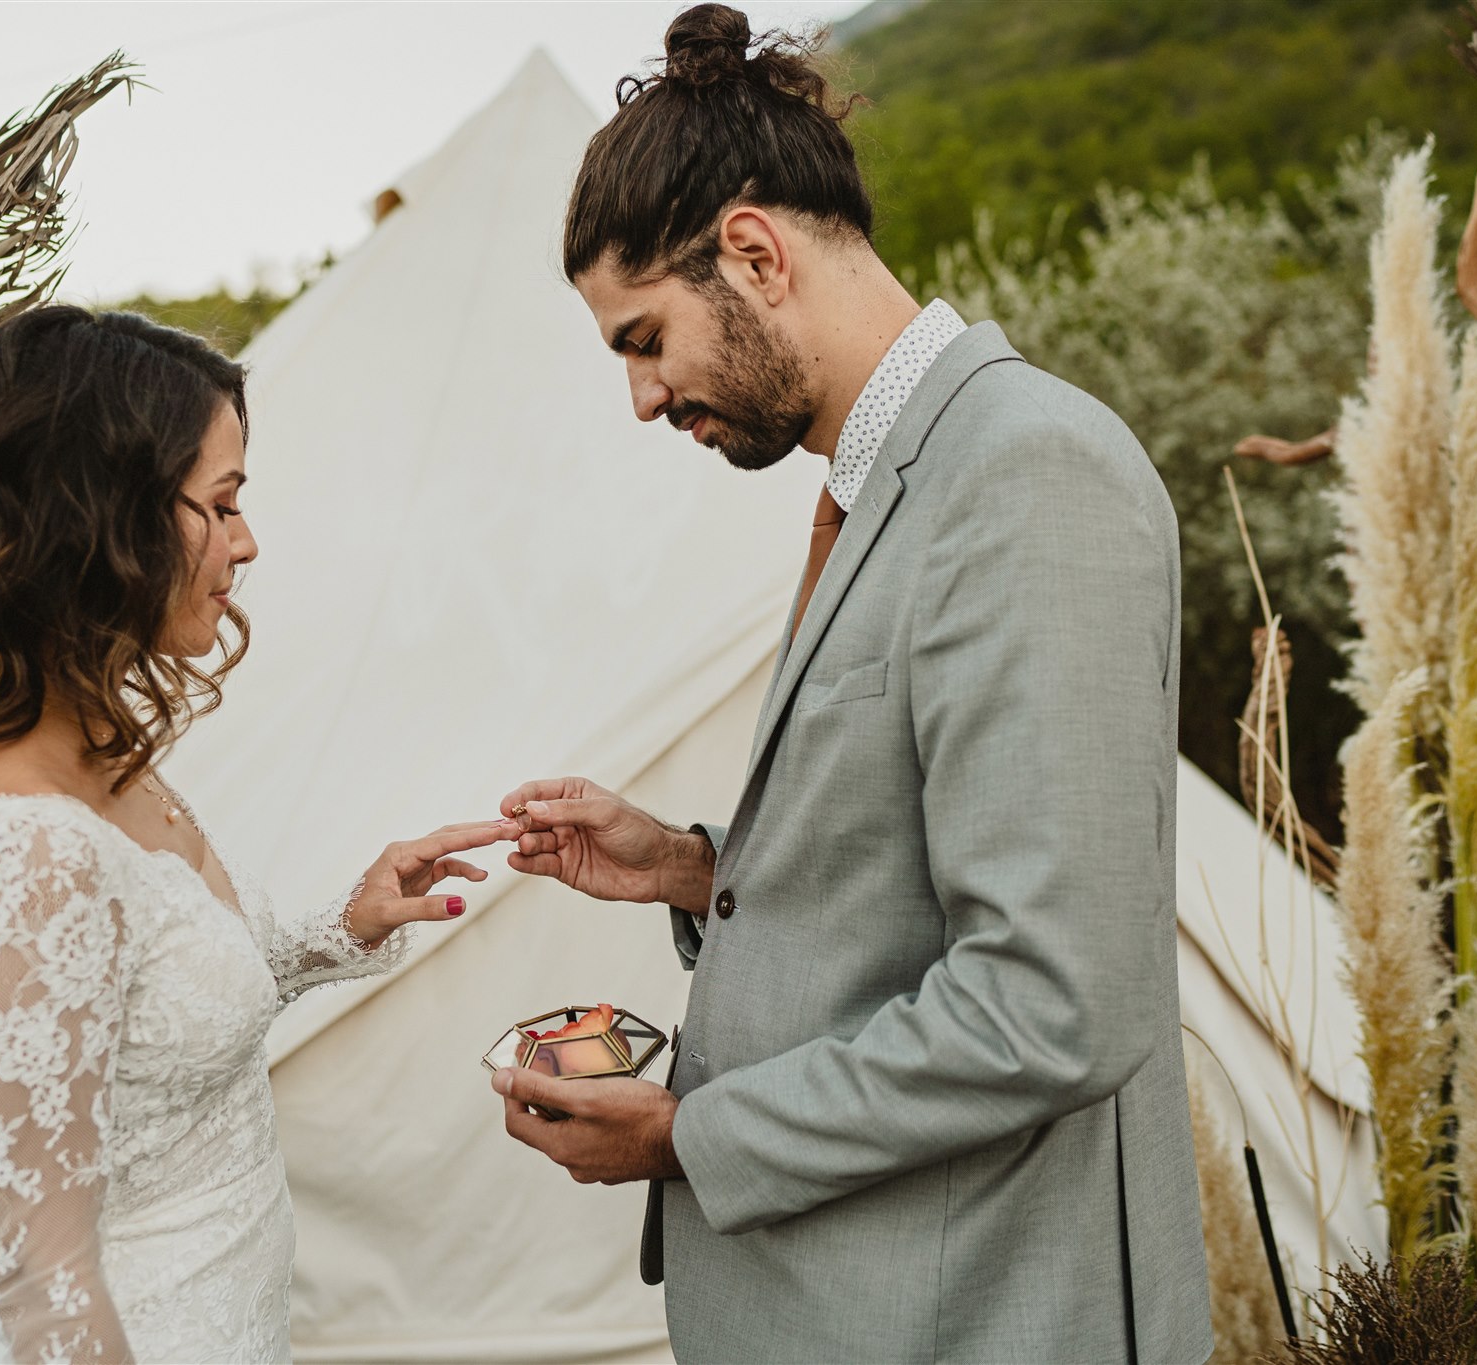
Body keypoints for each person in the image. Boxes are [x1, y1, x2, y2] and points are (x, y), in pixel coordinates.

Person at [489, 7, 1212, 1362]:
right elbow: (923, 872)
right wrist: (692, 870)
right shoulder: (881, 483)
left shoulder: (1023, 471)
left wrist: (695, 1136)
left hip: (977, 1316)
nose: (643, 399)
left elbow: (1054, 1001)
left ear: (753, 254)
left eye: (644, 339)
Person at [0, 305, 515, 1363]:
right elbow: (43, 1292)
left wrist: (339, 927)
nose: (245, 542)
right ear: (98, 516)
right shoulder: (26, 854)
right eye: (222, 503)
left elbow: (148, 1024)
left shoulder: (93, 733)